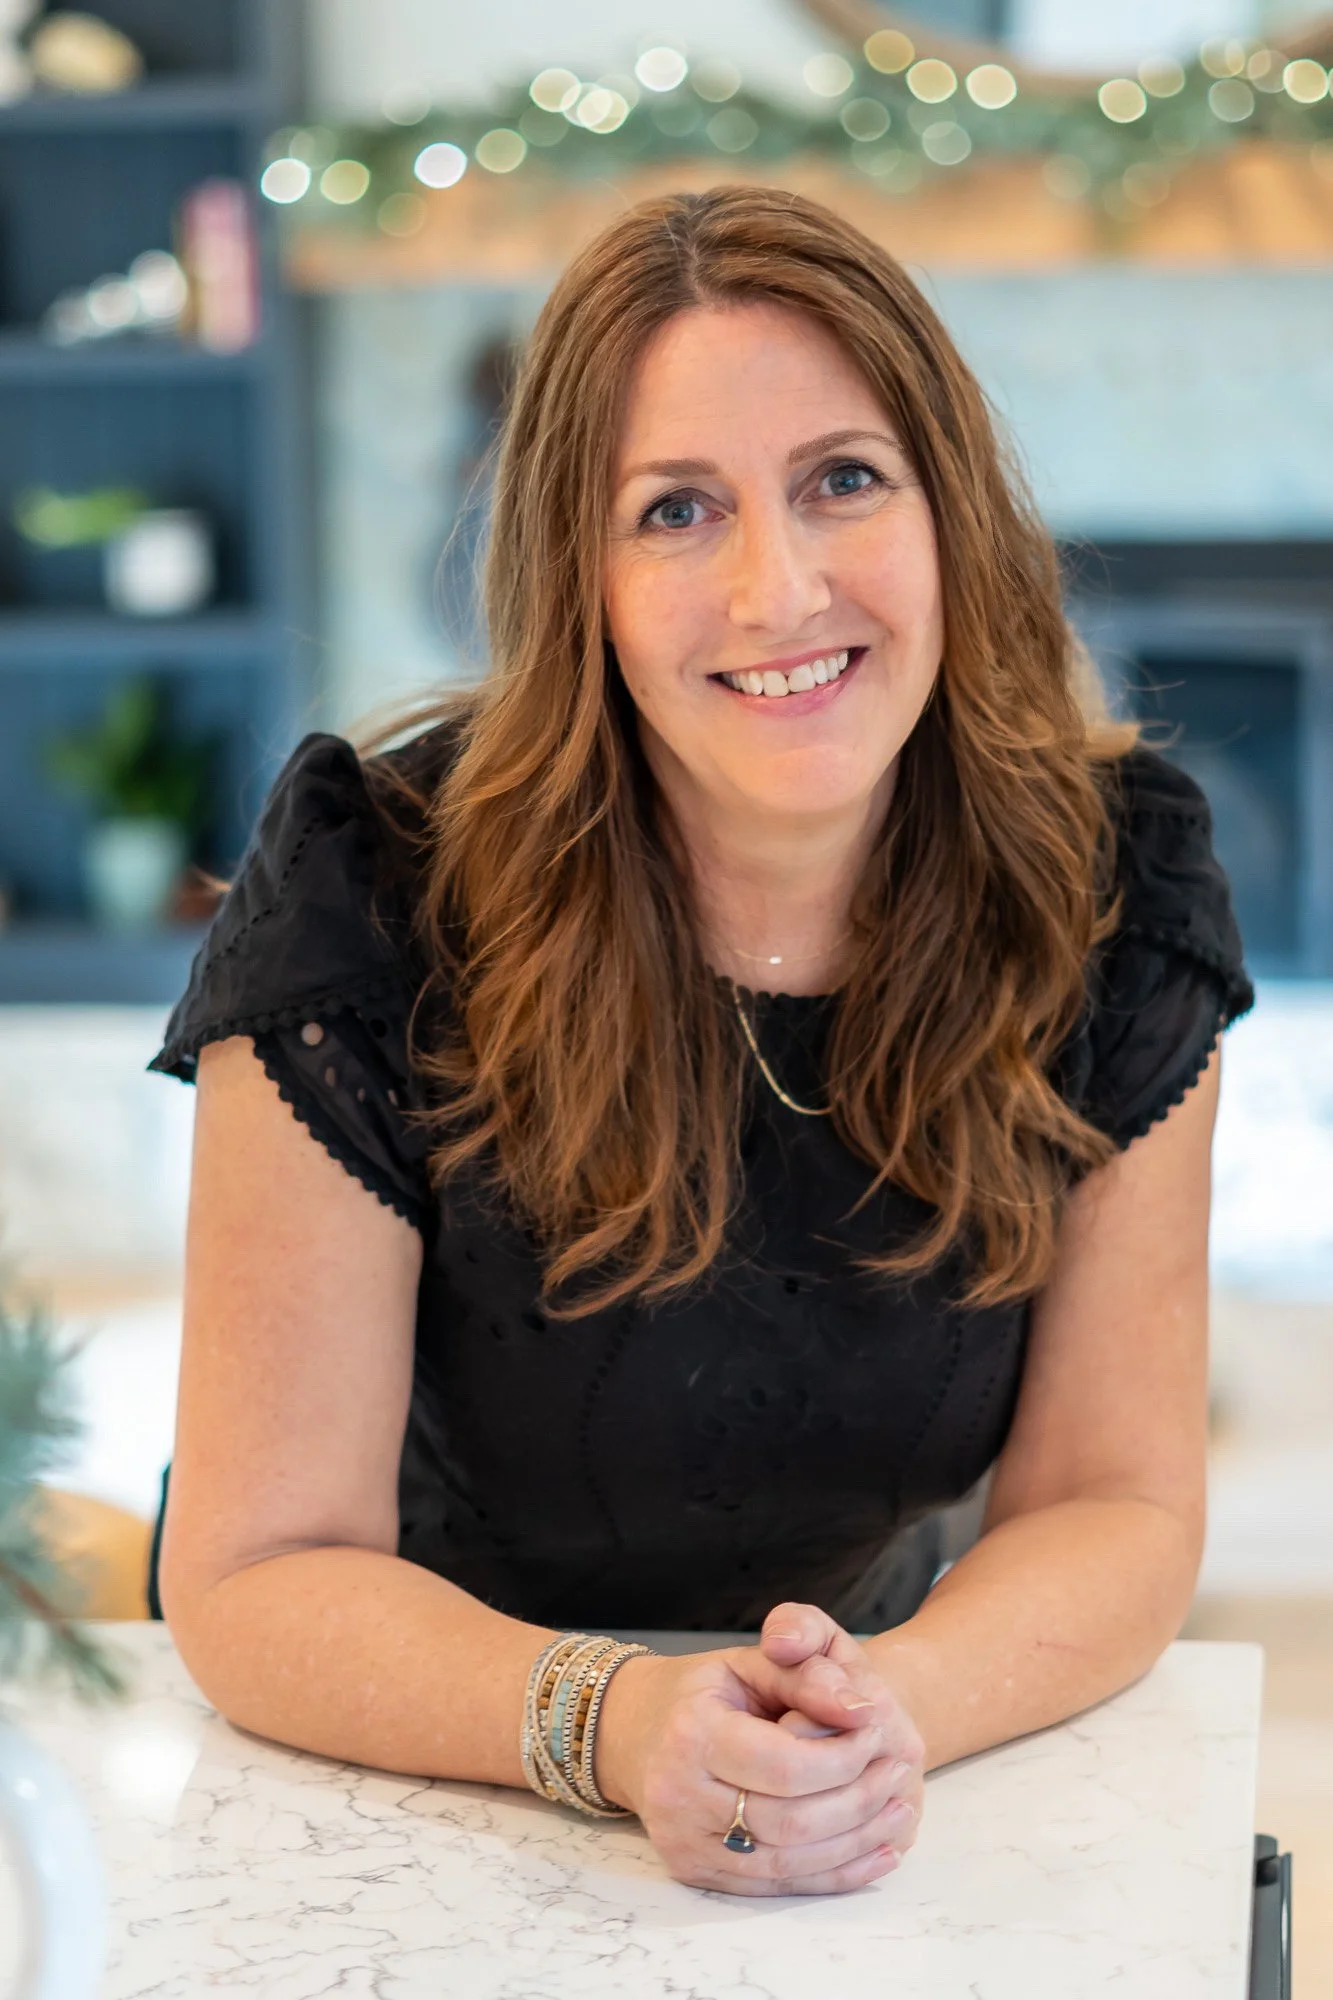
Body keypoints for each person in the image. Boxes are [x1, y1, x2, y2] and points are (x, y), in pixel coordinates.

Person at [148, 185, 1253, 1900]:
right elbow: (257, 1570)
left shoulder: (1109, 886)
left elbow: (1112, 1499)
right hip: (432, 1759)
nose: (779, 586)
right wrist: (619, 1721)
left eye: (843, 479)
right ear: (573, 580)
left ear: (950, 505)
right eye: (676, 509)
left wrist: (881, 1717)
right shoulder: (371, 895)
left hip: (856, 1758)